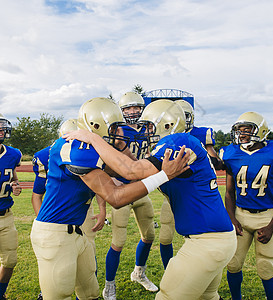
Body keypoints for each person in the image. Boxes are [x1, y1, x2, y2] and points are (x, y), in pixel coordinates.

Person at [63, 99, 237, 300]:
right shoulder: (179, 143)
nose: (144, 132)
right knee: (208, 297)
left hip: (208, 241)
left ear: (167, 125)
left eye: (148, 127)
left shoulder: (178, 141)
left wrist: (93, 139)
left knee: (167, 296)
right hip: (214, 237)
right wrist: (119, 148)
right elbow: (137, 169)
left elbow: (132, 171)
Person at [30, 97, 189, 300]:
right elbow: (116, 196)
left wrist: (121, 145)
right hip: (55, 233)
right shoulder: (78, 148)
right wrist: (163, 175)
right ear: (95, 126)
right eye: (115, 128)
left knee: (90, 293)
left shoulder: (92, 148)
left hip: (77, 232)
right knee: (58, 296)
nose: (120, 132)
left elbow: (132, 171)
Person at [219, 111, 273, 300]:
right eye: (239, 130)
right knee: (233, 264)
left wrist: (271, 226)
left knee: (266, 267)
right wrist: (232, 218)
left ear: (261, 131)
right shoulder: (231, 154)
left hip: (267, 216)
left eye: (247, 129)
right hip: (241, 215)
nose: (242, 134)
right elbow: (229, 193)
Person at [31, 118, 106, 300]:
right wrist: (49, 227)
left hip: (78, 223)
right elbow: (37, 195)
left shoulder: (92, 153)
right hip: (57, 223)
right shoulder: (50, 154)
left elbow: (103, 183)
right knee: (59, 290)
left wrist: (102, 208)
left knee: (90, 288)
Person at [102, 92, 157, 300]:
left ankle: (139, 273)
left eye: (135, 108)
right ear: (121, 111)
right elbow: (106, 163)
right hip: (123, 189)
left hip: (141, 189)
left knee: (149, 235)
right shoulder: (115, 130)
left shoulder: (149, 129)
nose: (132, 112)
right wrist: (116, 178)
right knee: (118, 241)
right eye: (127, 109)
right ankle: (109, 285)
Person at [158, 99, 223, 269]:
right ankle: (168, 270)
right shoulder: (163, 136)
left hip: (195, 194)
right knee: (165, 238)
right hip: (173, 194)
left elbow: (214, 160)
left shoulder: (199, 134)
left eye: (185, 116)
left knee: (196, 236)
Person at [0, 114, 22, 300]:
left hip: (6, 216)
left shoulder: (13, 154)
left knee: (10, 261)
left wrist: (16, 186)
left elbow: (14, 178)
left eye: (1, 126)